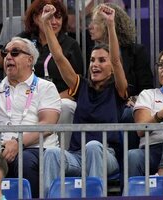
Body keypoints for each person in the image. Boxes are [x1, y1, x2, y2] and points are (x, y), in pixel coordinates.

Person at [41, 3, 128, 197]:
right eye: (92, 60)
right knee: (52, 153)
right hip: (77, 156)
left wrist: (111, 25)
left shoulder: (118, 89)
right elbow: (59, 57)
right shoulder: (81, 86)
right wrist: (46, 24)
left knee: (93, 146)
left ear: (112, 68)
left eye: (101, 60)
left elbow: (116, 60)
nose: (95, 64)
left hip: (105, 155)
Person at [0, 0, 83, 127]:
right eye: (49, 16)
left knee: (66, 105)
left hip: (58, 99)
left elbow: (78, 86)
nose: (54, 22)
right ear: (36, 18)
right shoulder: (23, 40)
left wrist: (49, 98)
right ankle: (1, 145)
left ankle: (63, 147)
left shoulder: (70, 44)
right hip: (23, 97)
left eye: (58, 17)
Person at [0, 37, 61, 198]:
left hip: (37, 150)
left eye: (15, 52)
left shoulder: (45, 87)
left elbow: (47, 124)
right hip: (1, 153)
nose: (8, 57)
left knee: (23, 160)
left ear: (30, 60)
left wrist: (17, 143)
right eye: (5, 53)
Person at [88, 3, 154, 149]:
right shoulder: (93, 53)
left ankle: (126, 160)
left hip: (126, 106)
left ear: (108, 24)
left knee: (128, 113)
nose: (90, 27)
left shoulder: (135, 51)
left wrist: (135, 99)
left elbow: (147, 87)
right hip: (102, 105)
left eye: (95, 22)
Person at [128, 47, 163, 177]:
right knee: (133, 156)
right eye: (161, 65)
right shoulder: (148, 95)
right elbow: (140, 130)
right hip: (153, 149)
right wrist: (159, 115)